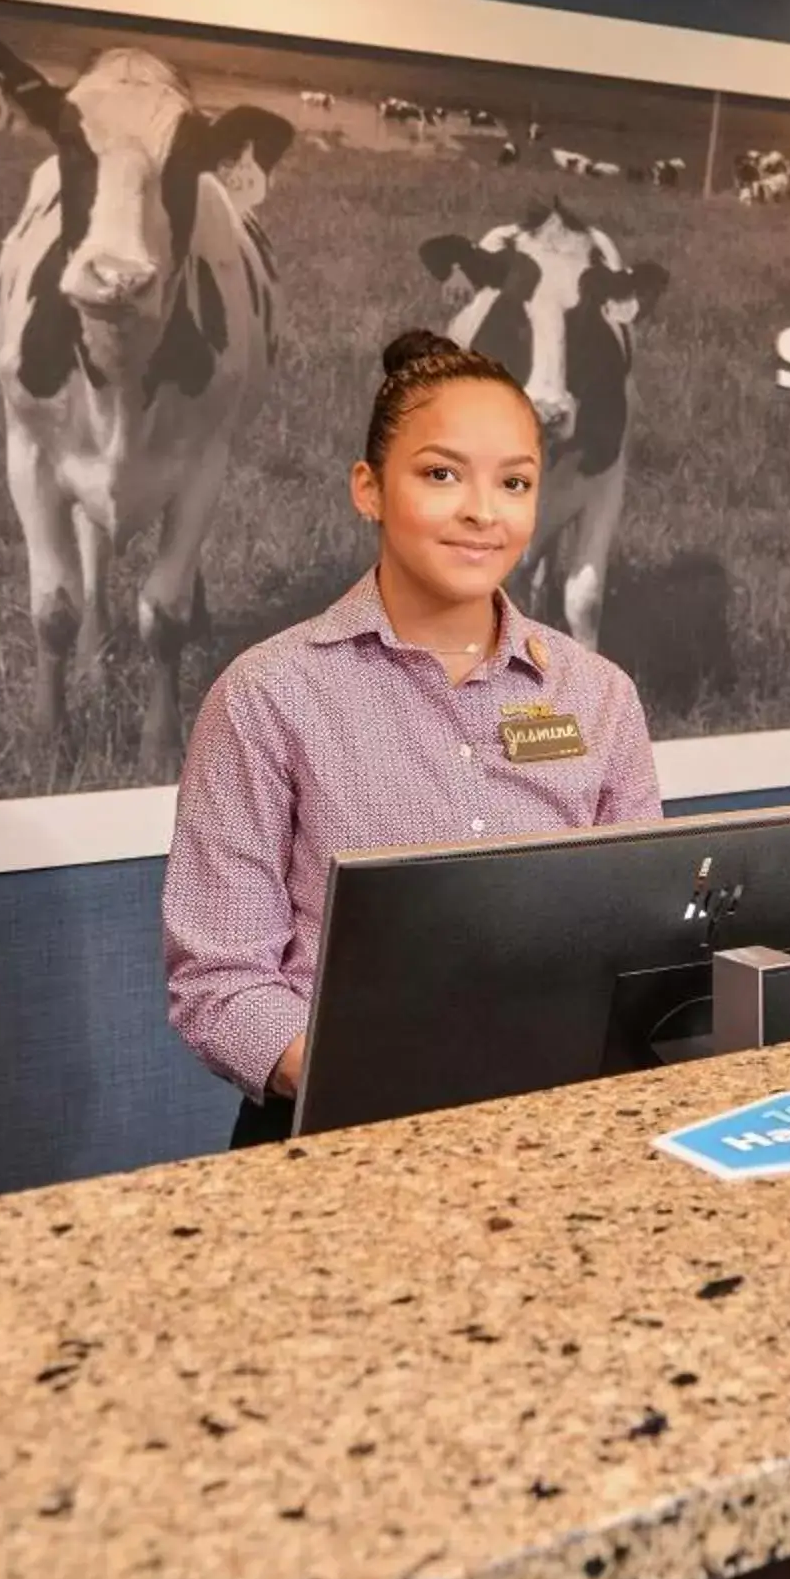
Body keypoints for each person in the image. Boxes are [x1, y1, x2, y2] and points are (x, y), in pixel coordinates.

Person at [163, 330, 663, 1147]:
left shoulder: (599, 695)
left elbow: (641, 942)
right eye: (440, 475)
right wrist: (371, 1077)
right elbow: (220, 982)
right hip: (341, 1137)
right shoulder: (267, 695)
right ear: (369, 489)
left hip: (561, 1134)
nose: (481, 511)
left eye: (514, 483)